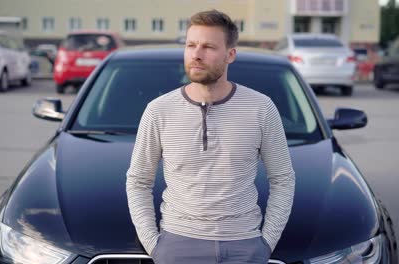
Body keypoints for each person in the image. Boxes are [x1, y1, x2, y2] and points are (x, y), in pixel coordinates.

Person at [126, 9, 295, 264]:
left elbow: (283, 179)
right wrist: (154, 244)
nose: (196, 54)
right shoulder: (159, 110)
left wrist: (265, 243)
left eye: (208, 47)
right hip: (177, 245)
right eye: (190, 45)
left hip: (244, 246)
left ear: (230, 54)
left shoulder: (261, 108)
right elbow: (138, 180)